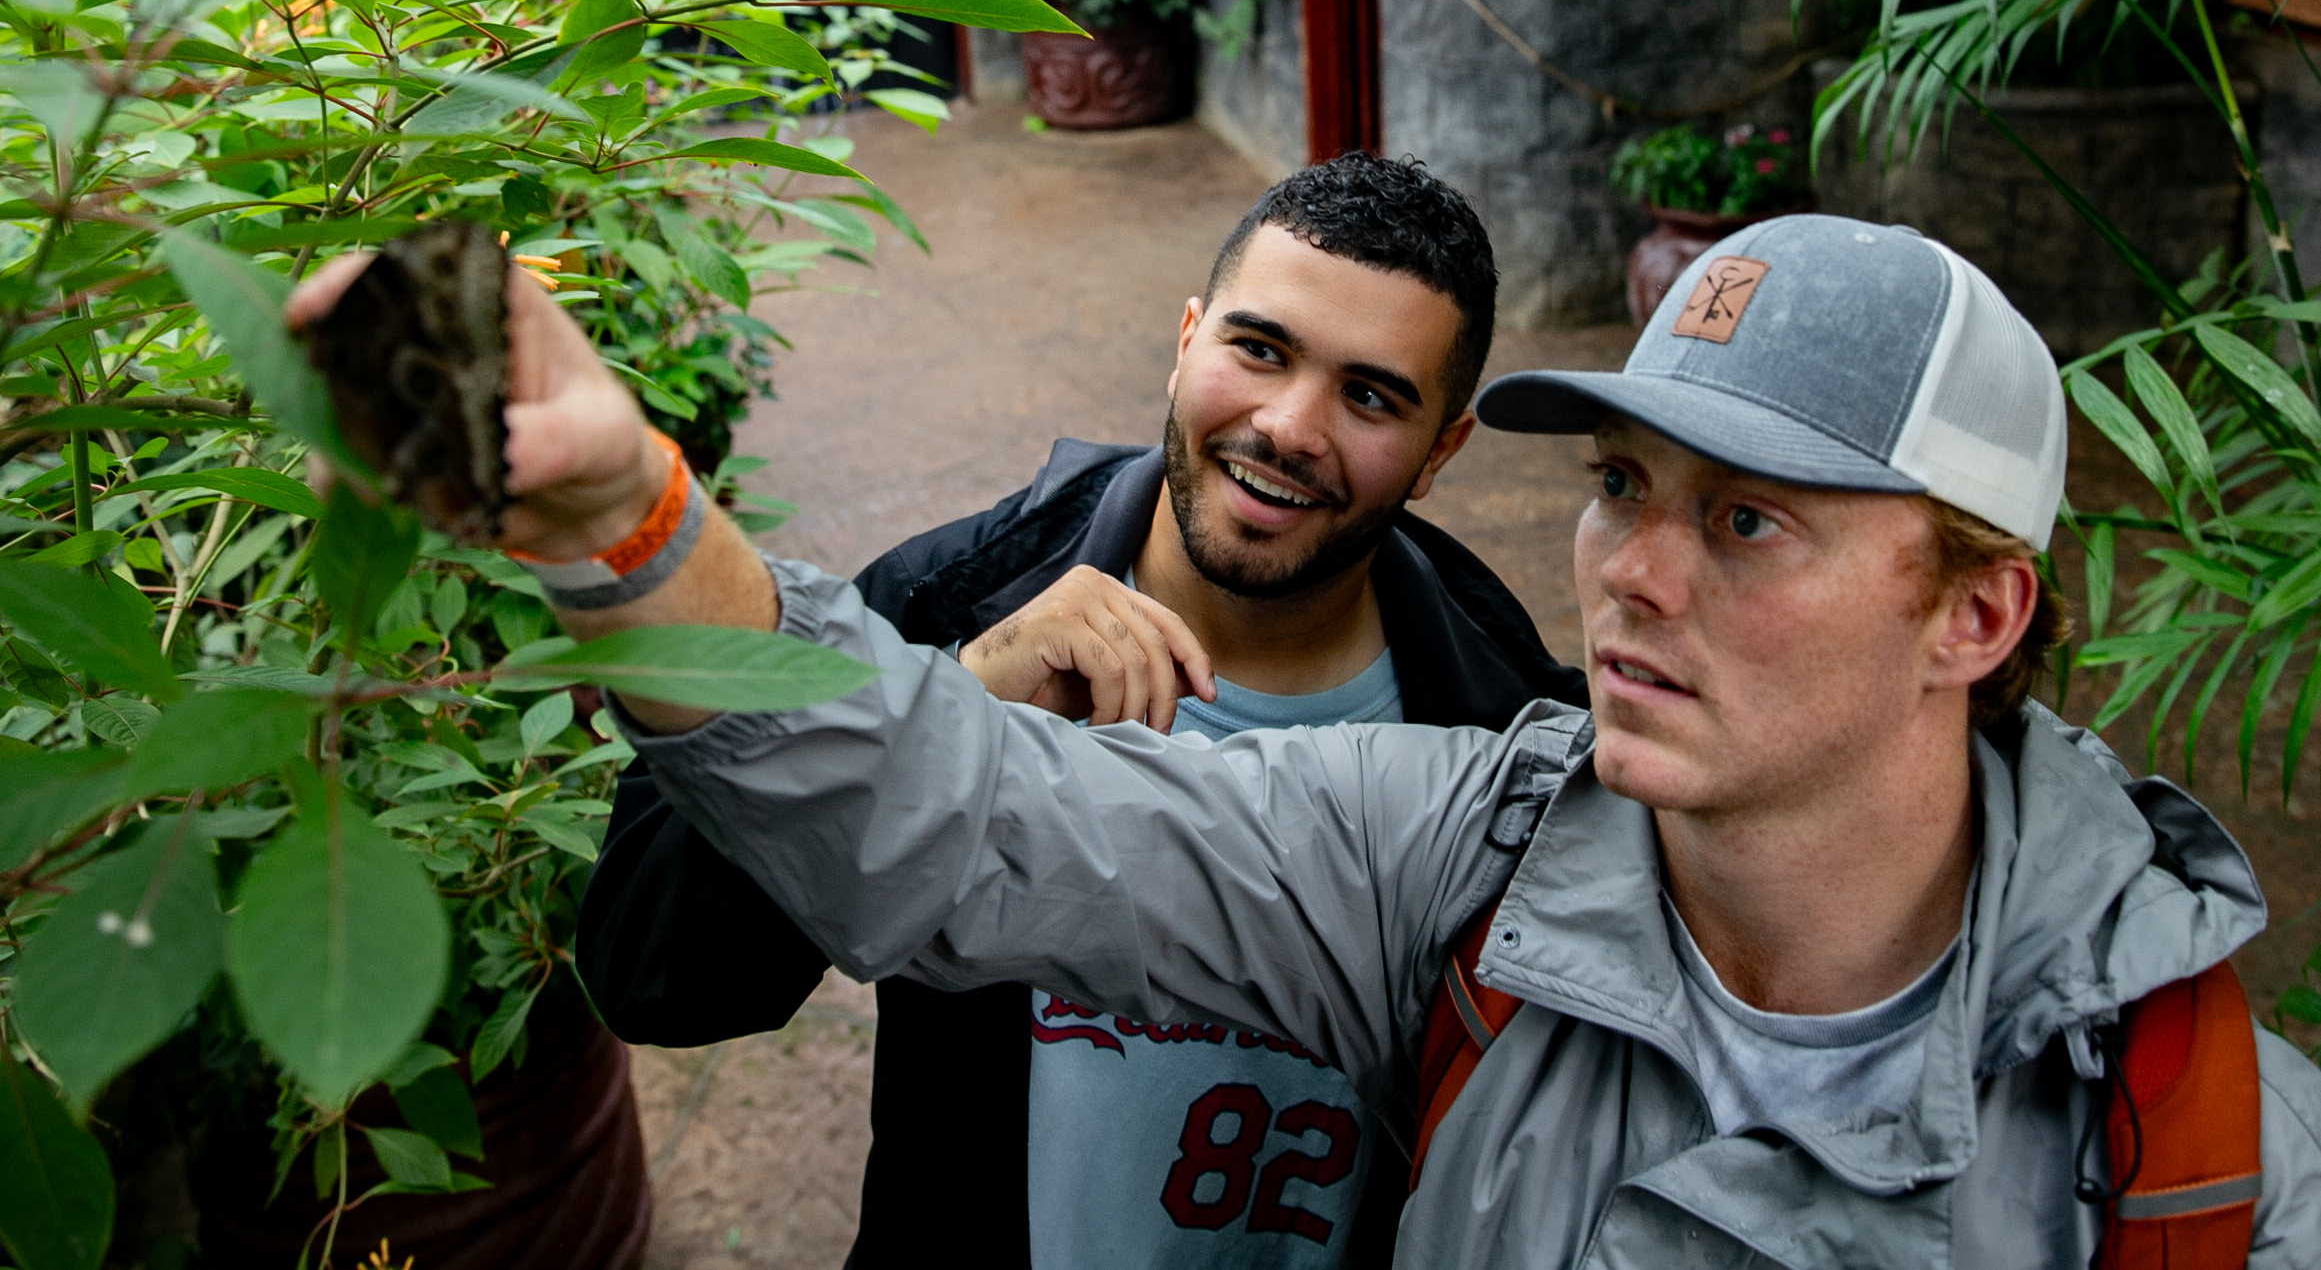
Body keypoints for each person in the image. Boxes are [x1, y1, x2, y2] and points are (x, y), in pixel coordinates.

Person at [294, 214, 2321, 1267]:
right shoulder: (1470, 850)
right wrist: (628, 519)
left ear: (1973, 614)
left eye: (1745, 523)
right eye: (1620, 485)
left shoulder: (2208, 1152)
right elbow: (960, 809)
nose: (1629, 572)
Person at [572, 153, 1588, 1268]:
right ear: (1185, 340)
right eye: (1259, 348)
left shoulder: (1508, 729)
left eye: (1369, 396)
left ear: (1441, 448)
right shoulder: (948, 602)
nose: (1289, 425)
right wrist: (947, 704)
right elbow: (649, 971)